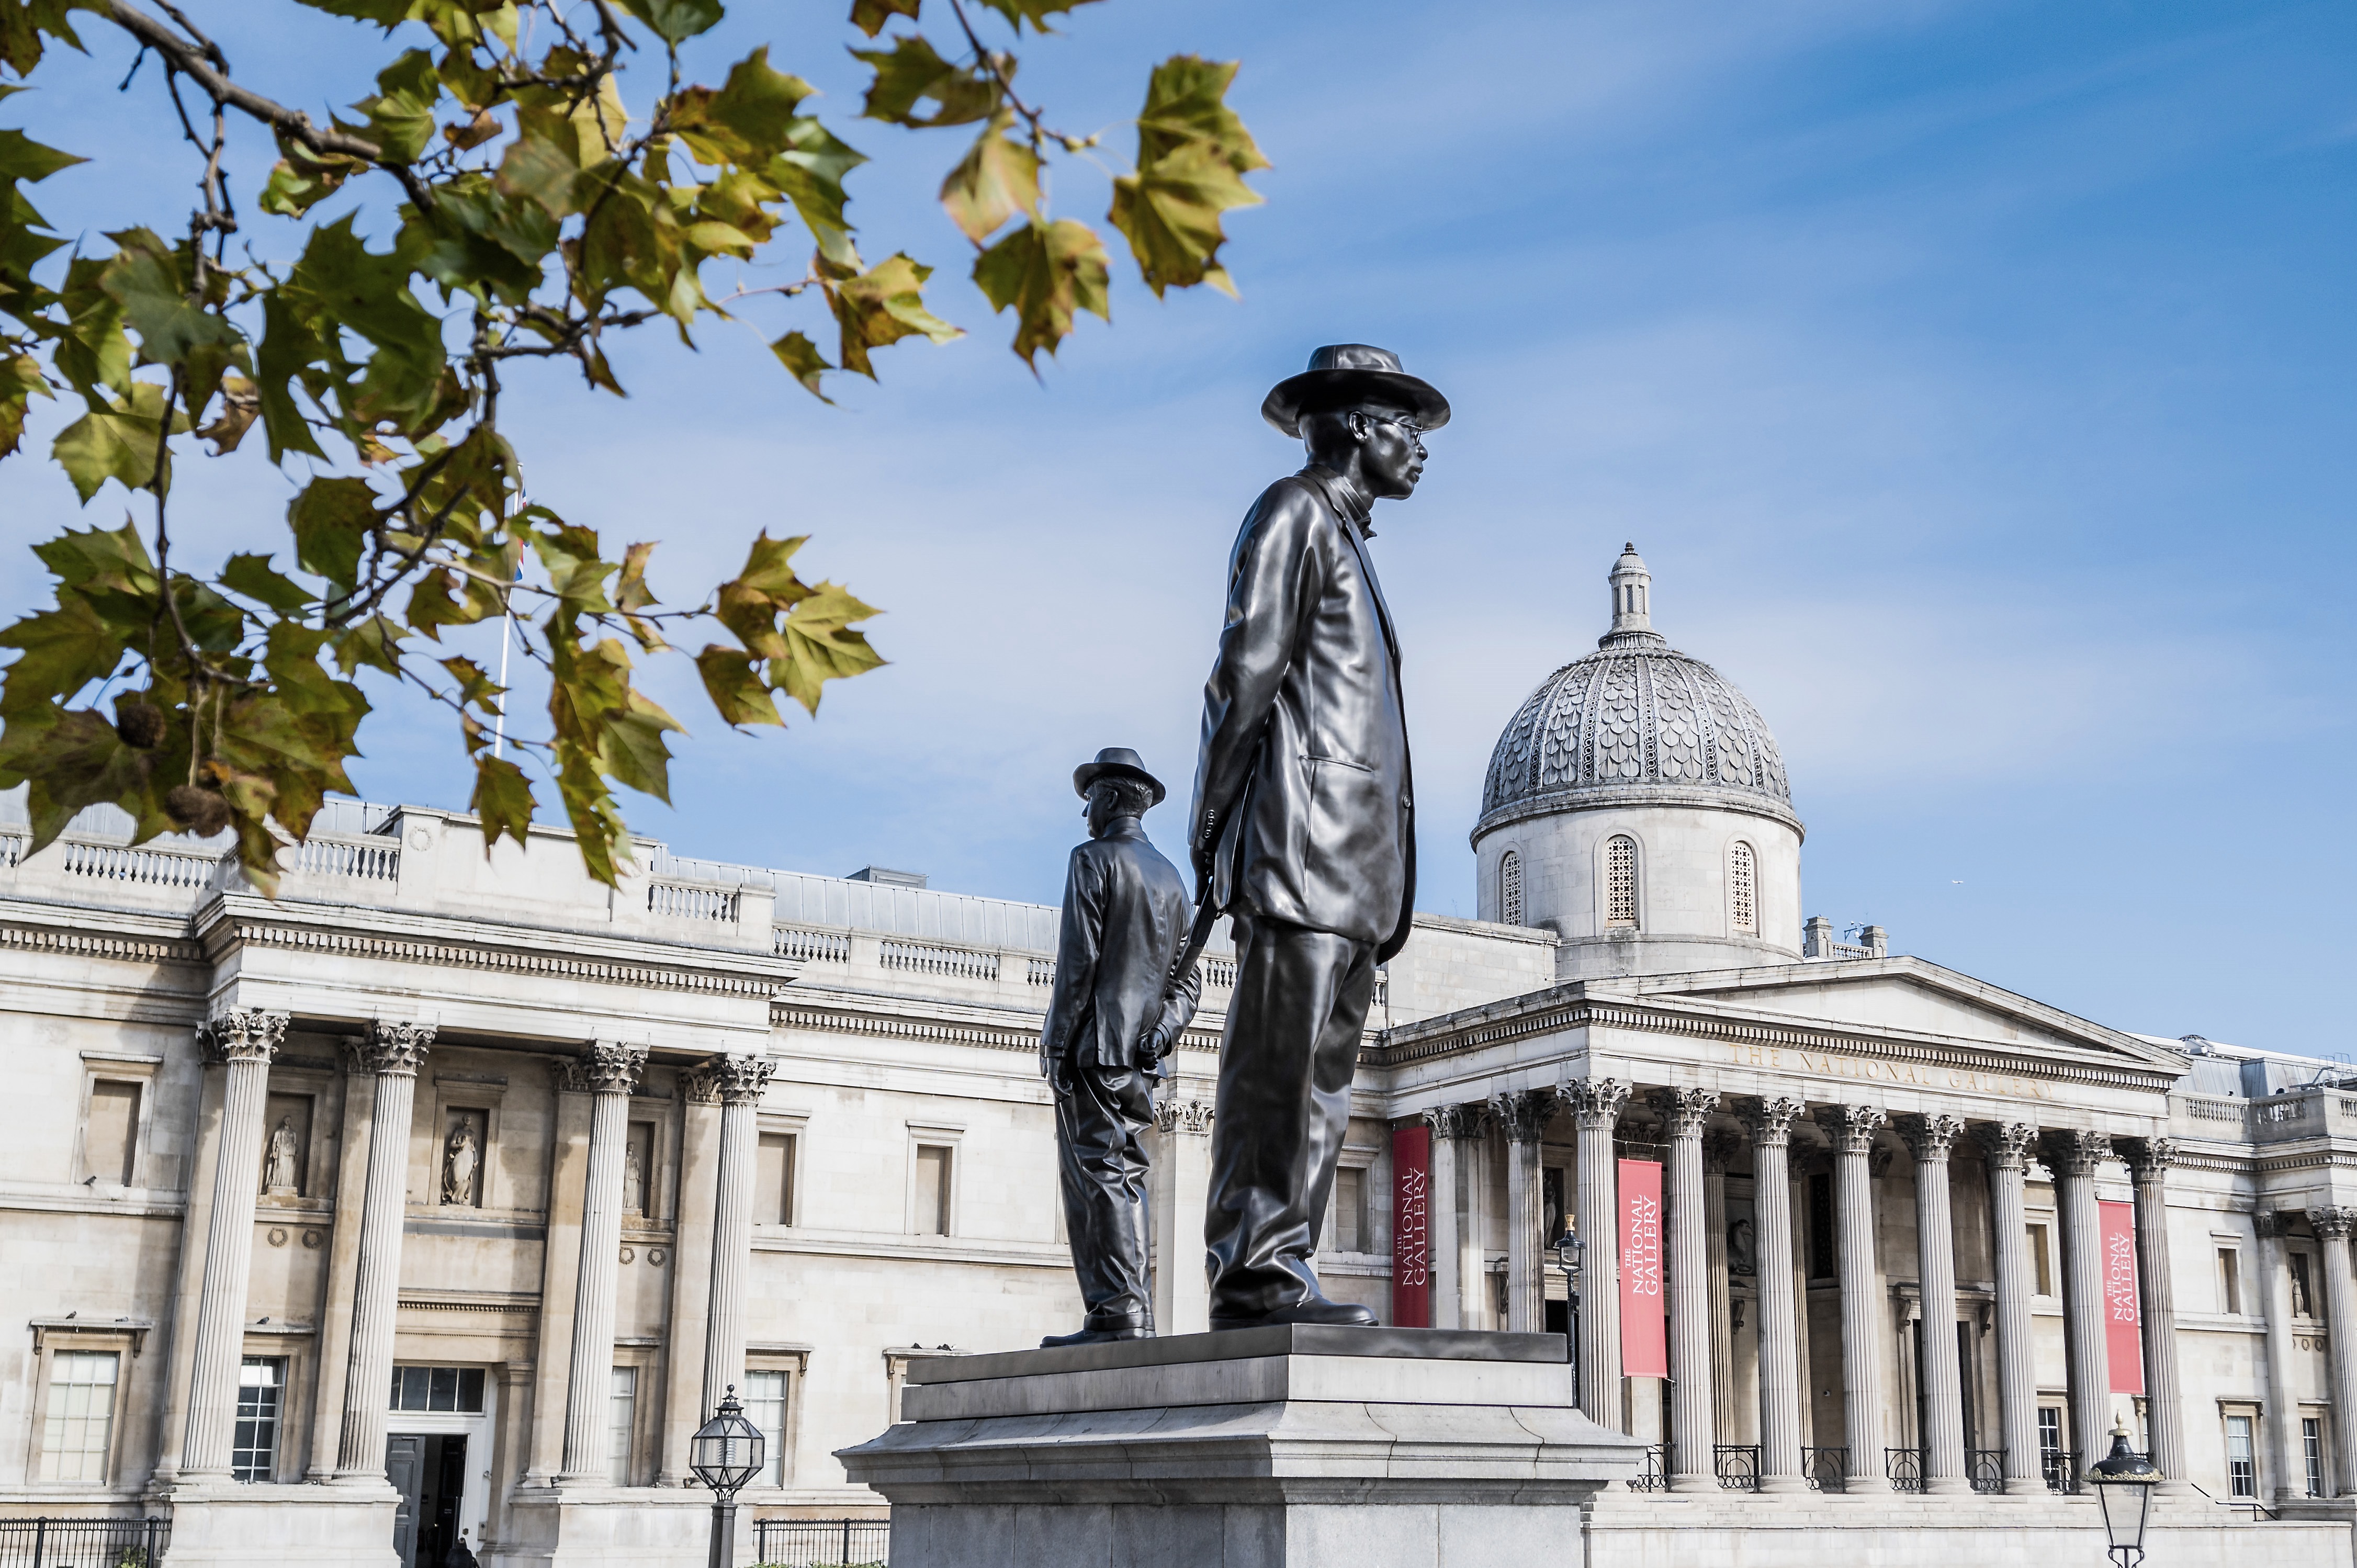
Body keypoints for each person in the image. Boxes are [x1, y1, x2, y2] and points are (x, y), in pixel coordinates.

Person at [1189, 344, 1447, 1329]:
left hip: (1354, 866)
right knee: (1277, 1072)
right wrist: (1215, 821)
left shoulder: (1351, 539)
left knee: (1324, 1085)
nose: (1419, 449)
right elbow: (1244, 672)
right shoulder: (1292, 509)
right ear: (1348, 427)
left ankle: (1281, 1257)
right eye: (1403, 427)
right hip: (1300, 845)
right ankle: (1254, 1269)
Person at [1038, 748, 1201, 1347]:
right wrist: (1161, 1032)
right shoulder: (1171, 879)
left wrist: (1056, 1045)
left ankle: (1117, 1314)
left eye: (1089, 800)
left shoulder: (1091, 860)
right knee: (1126, 1173)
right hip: (1142, 1058)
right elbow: (1189, 981)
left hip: (1094, 1047)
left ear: (1108, 799)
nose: (1085, 813)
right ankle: (1130, 1312)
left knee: (1100, 1177)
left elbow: (1076, 964)